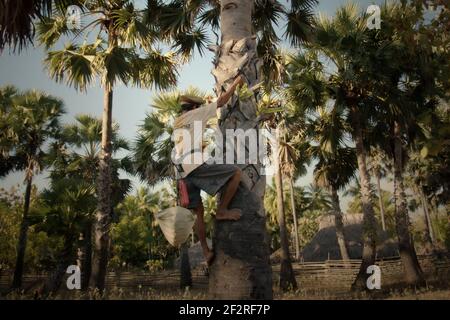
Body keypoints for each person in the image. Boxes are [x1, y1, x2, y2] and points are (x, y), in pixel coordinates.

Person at [173, 75, 245, 265]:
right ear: (195, 108)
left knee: (198, 212)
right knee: (236, 173)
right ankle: (222, 210)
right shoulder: (198, 113)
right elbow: (221, 101)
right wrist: (236, 82)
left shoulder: (178, 122)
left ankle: (206, 251)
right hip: (195, 164)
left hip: (181, 172)